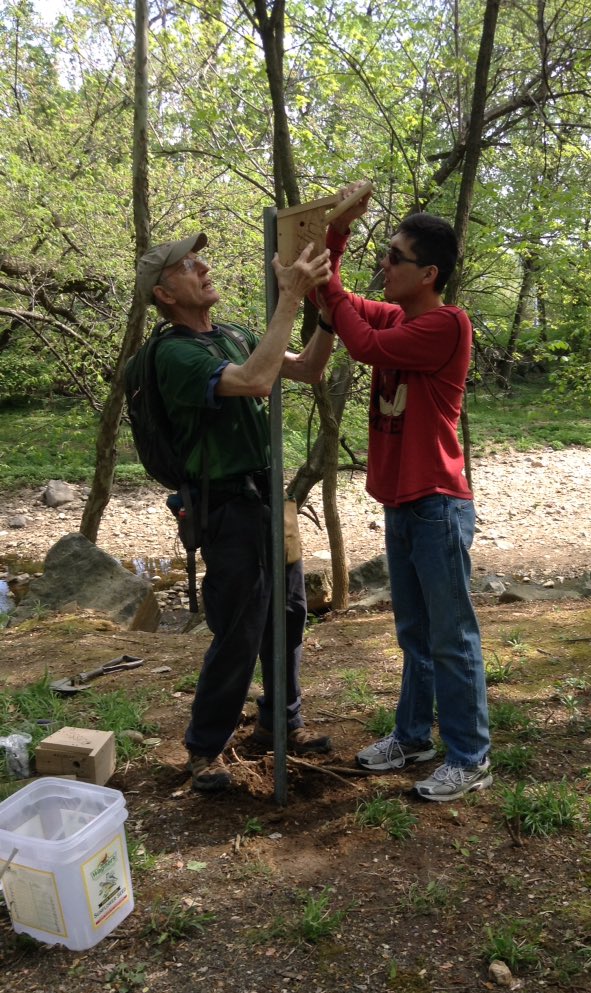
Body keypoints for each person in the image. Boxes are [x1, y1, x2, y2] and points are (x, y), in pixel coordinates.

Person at [136, 232, 334, 791]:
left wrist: (326, 310)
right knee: (240, 629)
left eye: (200, 257)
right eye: (186, 265)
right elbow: (255, 381)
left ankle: (281, 724)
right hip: (228, 506)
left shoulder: (235, 333)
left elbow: (307, 369)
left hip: (273, 496)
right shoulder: (172, 354)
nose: (202, 265)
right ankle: (205, 747)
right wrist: (289, 298)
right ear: (164, 293)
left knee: (290, 615)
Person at [316, 190, 491, 802]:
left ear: (428, 274)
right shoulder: (396, 315)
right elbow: (332, 299)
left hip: (438, 503)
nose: (385, 266)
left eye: (395, 257)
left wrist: (331, 284)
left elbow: (357, 341)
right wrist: (332, 239)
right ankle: (413, 737)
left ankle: (470, 755)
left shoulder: (447, 323)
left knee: (452, 636)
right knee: (415, 634)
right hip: (402, 504)